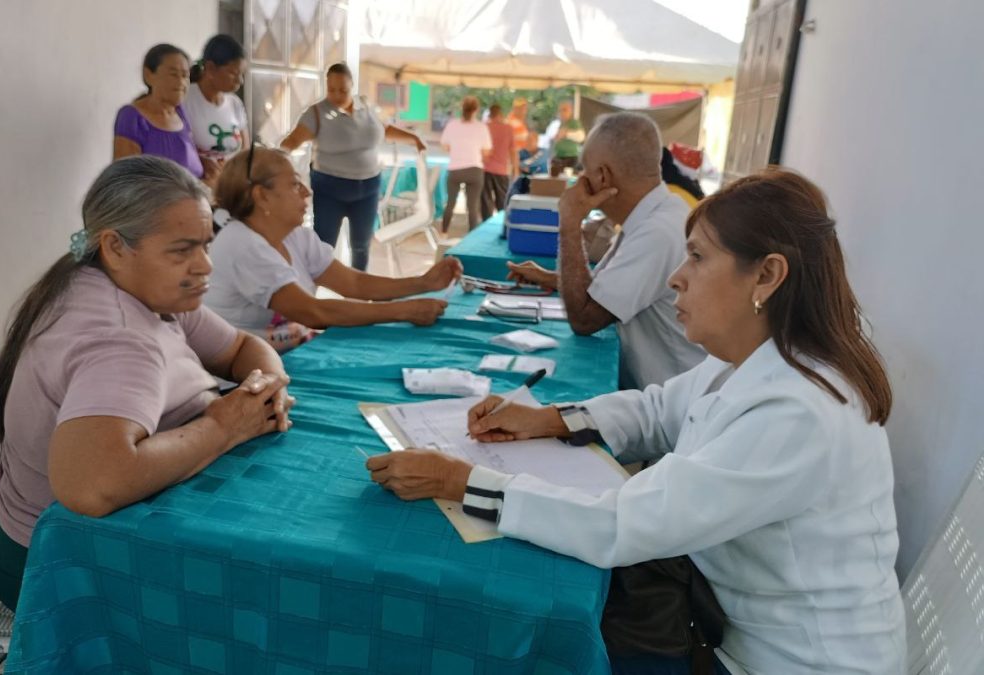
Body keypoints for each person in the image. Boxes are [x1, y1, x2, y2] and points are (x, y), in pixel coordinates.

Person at [367, 168, 906, 675]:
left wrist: (458, 481)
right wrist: (548, 419)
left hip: (783, 661)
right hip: (732, 622)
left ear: (766, 275)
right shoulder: (762, 356)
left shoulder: (799, 412)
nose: (677, 278)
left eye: (696, 257)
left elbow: (622, 525)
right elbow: (658, 409)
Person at [0, 156, 292, 611]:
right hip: (50, 561)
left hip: (11, 504)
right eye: (182, 250)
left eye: (206, 244)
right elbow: (91, 486)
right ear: (115, 246)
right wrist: (226, 425)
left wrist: (267, 384)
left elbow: (240, 347)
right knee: (257, 587)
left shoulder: (124, 281)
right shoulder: (120, 341)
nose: (205, 265)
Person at [507, 112, 706, 388]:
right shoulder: (660, 213)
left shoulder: (656, 233)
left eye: (583, 170)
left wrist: (570, 222)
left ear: (602, 176)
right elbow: (599, 291)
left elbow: (585, 318)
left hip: (672, 410)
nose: (580, 179)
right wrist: (550, 278)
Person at [205, 146, 460, 349]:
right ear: (262, 196)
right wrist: (404, 310)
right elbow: (313, 312)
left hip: (294, 355)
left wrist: (423, 283)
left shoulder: (296, 237)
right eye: (294, 184)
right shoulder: (242, 244)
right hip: (244, 380)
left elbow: (354, 284)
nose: (306, 191)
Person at [280, 63, 426, 271]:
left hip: (368, 188)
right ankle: (311, 292)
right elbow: (292, 141)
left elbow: (384, 130)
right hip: (330, 188)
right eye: (331, 89)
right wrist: (276, 161)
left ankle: (359, 293)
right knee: (324, 245)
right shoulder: (316, 113)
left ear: (352, 86)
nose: (337, 95)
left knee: (361, 246)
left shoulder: (366, 106)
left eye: (343, 90)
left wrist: (413, 139)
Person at [114, 44, 204, 180]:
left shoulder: (180, 113)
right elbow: (126, 181)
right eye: (173, 74)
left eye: (185, 75)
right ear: (149, 75)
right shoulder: (132, 117)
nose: (181, 82)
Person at [184, 34, 249, 181]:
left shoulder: (235, 104)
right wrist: (200, 162)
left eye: (242, 74)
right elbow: (178, 149)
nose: (240, 81)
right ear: (211, 68)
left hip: (228, 187)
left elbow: (245, 151)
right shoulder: (186, 100)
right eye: (233, 73)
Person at [440, 96, 492, 234]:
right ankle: (471, 237)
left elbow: (445, 146)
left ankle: (444, 232)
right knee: (472, 207)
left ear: (461, 108)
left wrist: (457, 150)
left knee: (450, 203)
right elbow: (486, 151)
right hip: (474, 169)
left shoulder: (452, 125)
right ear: (476, 109)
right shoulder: (481, 127)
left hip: (455, 169)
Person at [481, 104, 518, 218]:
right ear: (500, 114)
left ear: (490, 115)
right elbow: (512, 151)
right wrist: (516, 170)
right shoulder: (508, 129)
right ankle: (502, 223)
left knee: (485, 201)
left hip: (484, 168)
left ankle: (485, 224)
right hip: (501, 170)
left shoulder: (484, 127)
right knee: (502, 200)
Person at [545, 101, 585, 176]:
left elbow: (581, 137)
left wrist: (566, 134)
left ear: (570, 110)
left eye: (564, 110)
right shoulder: (560, 124)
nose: (562, 112)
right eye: (560, 110)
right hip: (558, 156)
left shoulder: (574, 123)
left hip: (570, 157)